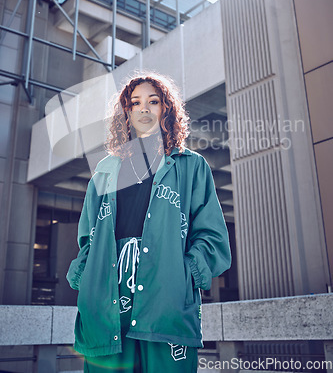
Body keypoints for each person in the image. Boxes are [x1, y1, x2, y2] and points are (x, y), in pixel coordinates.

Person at [66, 72, 231, 373]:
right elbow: (88, 238)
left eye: (153, 101)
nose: (144, 109)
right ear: (126, 113)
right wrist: (85, 276)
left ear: (165, 109)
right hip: (105, 309)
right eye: (135, 102)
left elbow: (212, 236)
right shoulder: (105, 170)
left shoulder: (191, 166)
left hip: (165, 307)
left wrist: (185, 274)